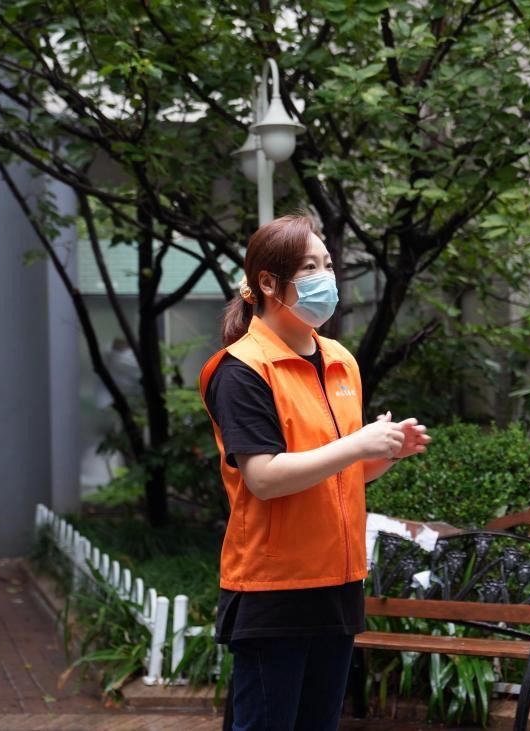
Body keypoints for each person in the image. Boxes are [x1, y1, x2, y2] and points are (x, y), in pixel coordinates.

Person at [199, 213, 430, 731]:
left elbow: (339, 473)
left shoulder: (340, 360)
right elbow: (264, 477)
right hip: (273, 589)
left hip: (338, 584)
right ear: (267, 283)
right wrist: (355, 445)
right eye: (309, 267)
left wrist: (386, 452)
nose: (326, 277)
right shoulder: (241, 370)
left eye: (327, 265)